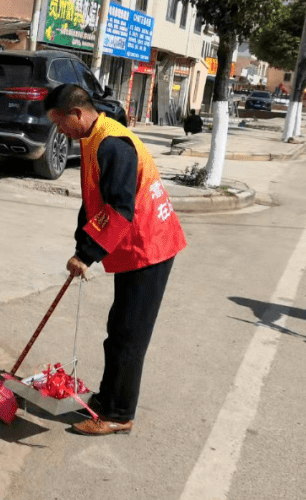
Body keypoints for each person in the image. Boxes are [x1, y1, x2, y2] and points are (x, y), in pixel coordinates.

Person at [45, 83, 187, 436]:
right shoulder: (92, 139)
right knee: (117, 330)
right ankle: (107, 399)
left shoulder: (113, 145)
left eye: (61, 123)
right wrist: (81, 246)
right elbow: (93, 198)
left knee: (128, 335)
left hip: (149, 246)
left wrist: (88, 255)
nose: (59, 131)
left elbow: (119, 210)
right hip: (132, 245)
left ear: (77, 113)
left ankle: (119, 413)